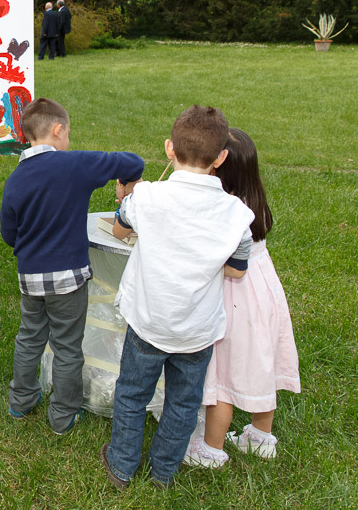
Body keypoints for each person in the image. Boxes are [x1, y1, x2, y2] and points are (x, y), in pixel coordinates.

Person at [100, 105, 254, 489]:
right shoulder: (236, 213)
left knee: (133, 394)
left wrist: (128, 200)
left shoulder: (147, 197)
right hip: (198, 330)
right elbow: (236, 269)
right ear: (220, 157)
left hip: (149, 322)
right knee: (184, 404)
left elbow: (120, 230)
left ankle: (121, 466)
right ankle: (164, 473)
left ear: (170, 149)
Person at [0, 98, 144, 435]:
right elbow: (132, 162)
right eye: (68, 135)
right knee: (67, 346)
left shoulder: (16, 179)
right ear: (57, 130)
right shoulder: (75, 165)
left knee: (29, 338)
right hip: (68, 280)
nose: (69, 142)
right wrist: (126, 183)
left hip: (31, 279)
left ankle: (20, 401)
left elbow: (10, 233)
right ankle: (63, 417)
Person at [184, 128, 301, 468]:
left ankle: (210, 449)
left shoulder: (224, 211)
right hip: (262, 290)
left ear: (220, 169)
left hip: (232, 295)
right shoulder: (255, 200)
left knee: (222, 377)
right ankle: (260, 436)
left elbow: (214, 260)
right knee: (261, 360)